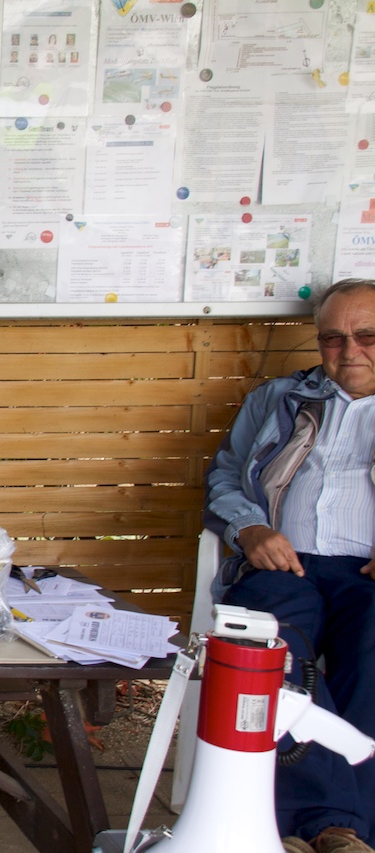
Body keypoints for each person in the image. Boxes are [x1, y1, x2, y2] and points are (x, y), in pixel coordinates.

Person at [204, 278, 375, 853]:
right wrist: (249, 529)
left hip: (366, 572)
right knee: (273, 648)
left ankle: (336, 827)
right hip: (283, 568)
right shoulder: (279, 399)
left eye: (367, 336)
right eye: (333, 338)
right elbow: (226, 475)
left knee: (373, 652)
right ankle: (330, 827)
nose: (349, 351)